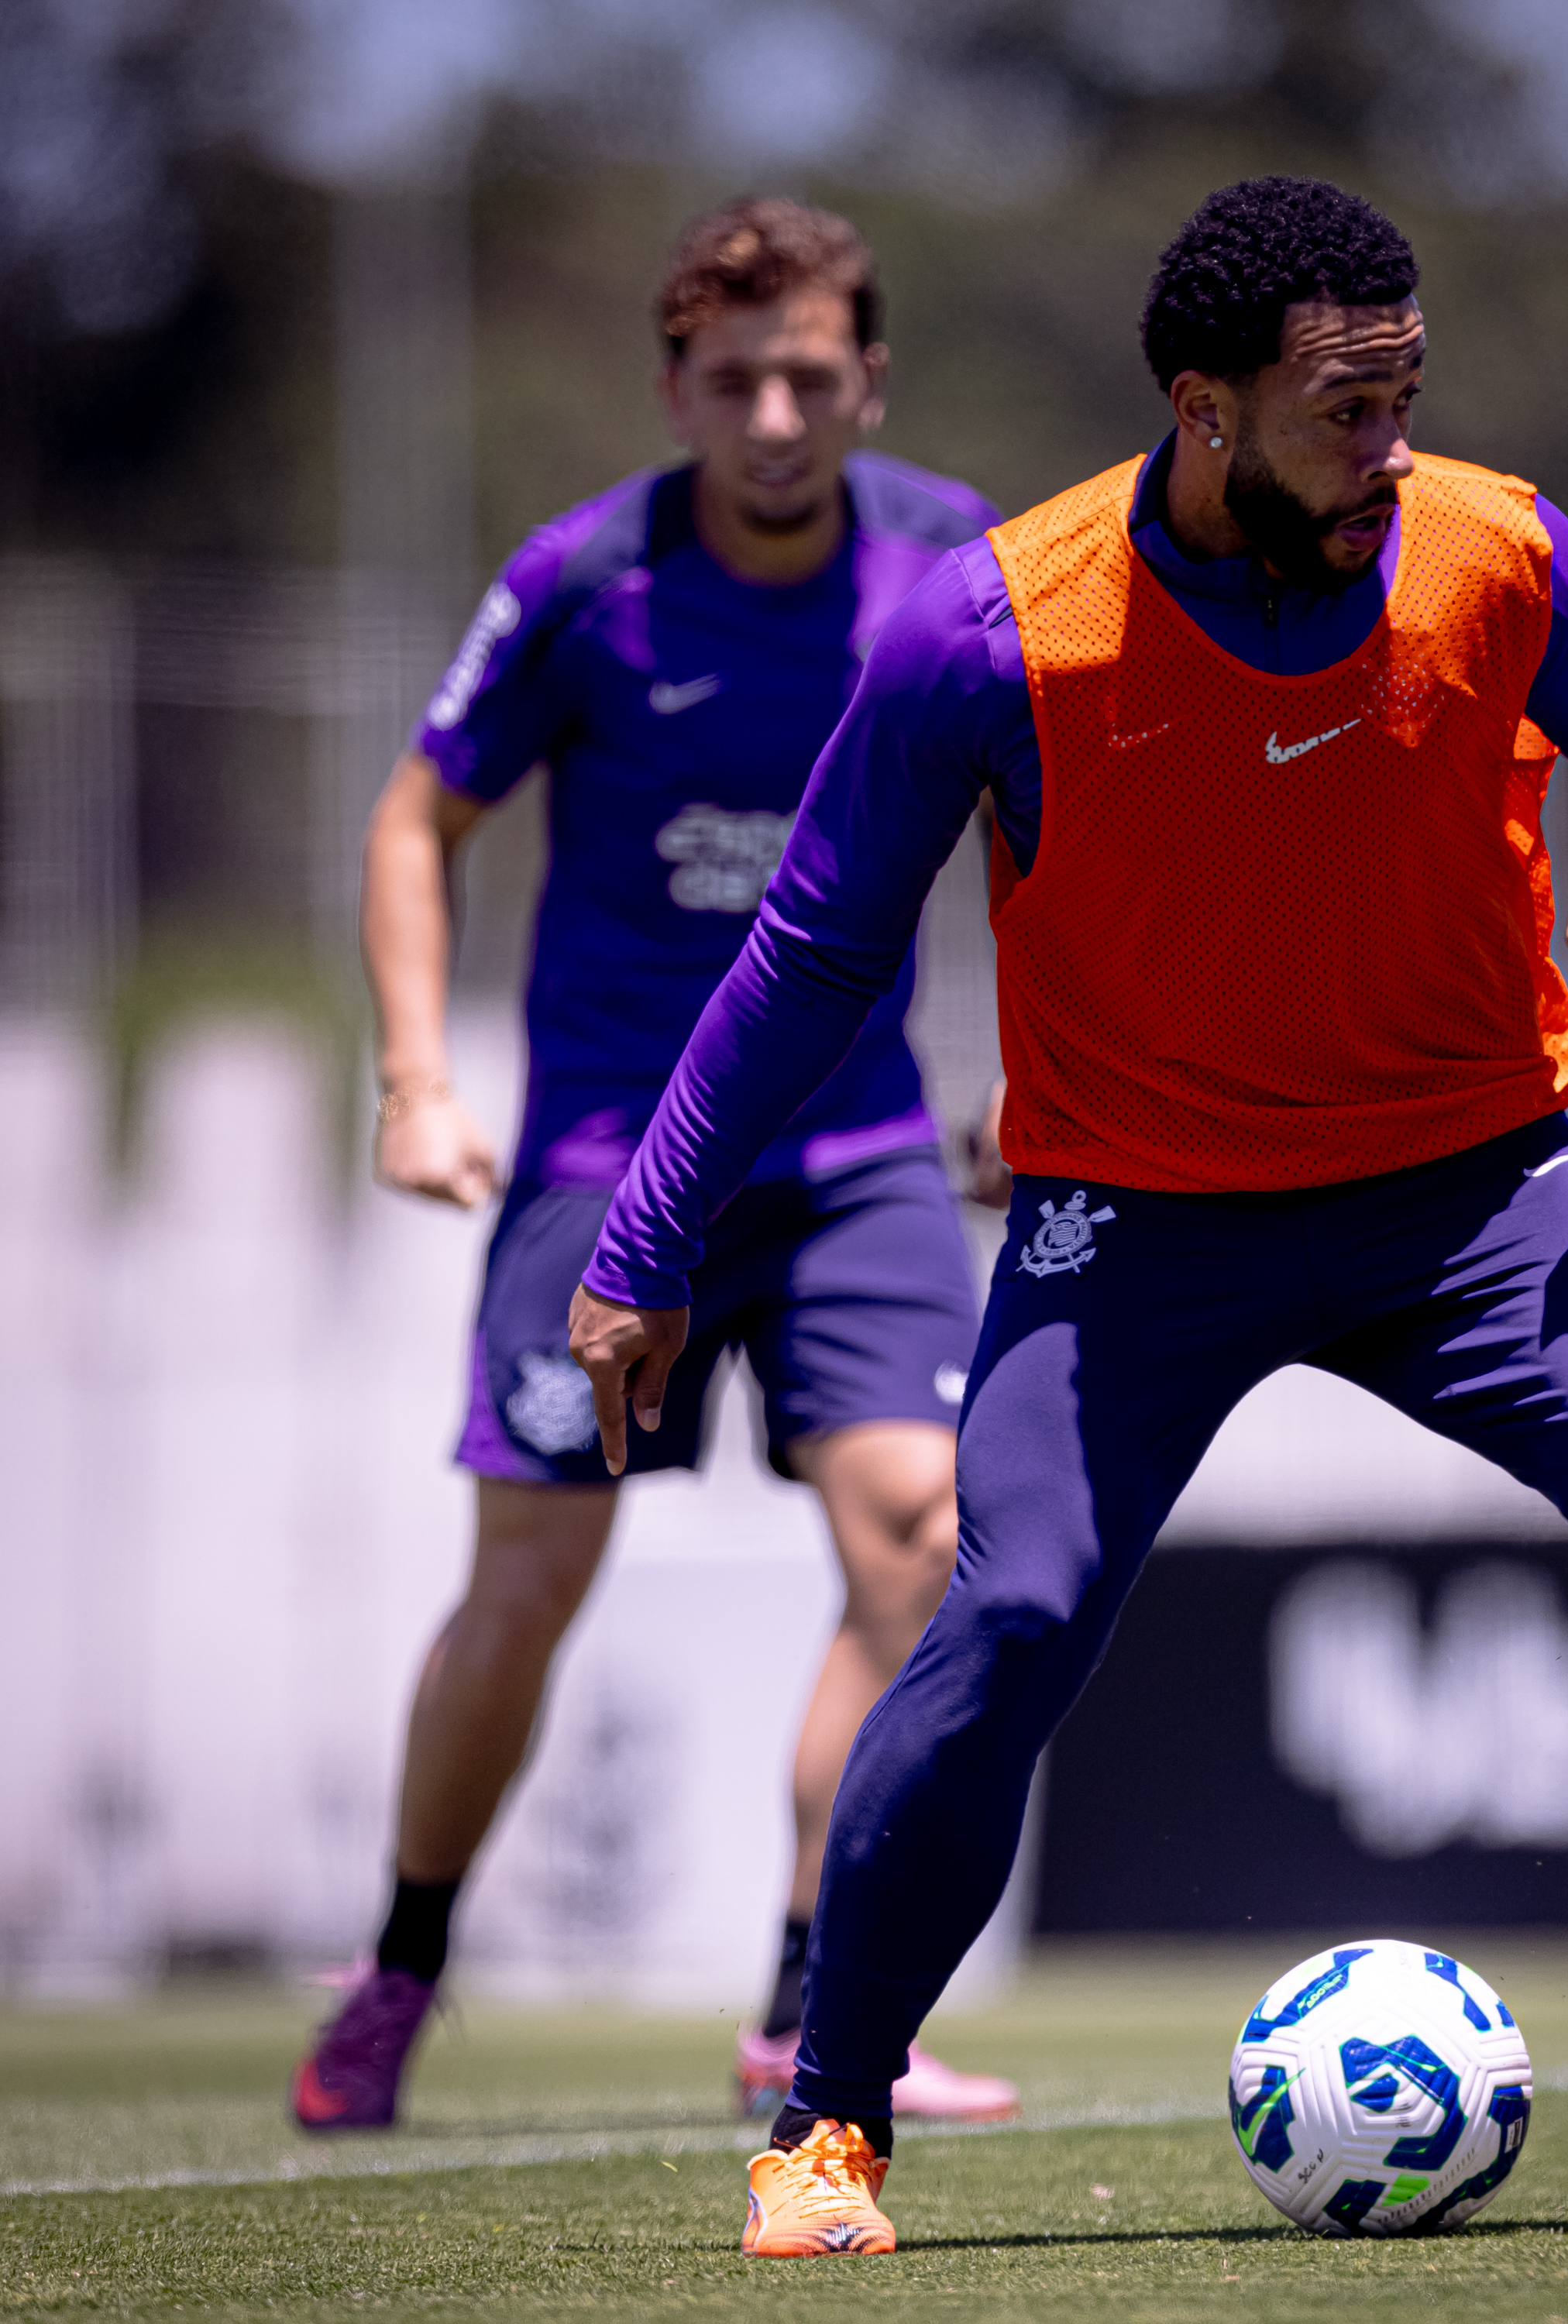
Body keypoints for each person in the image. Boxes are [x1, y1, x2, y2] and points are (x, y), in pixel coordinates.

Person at [569, 177, 1568, 2256]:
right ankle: (825, 2131)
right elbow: (811, 956)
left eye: (1406, 397)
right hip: (1139, 1225)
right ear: (1203, 411)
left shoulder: (1494, 547)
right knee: (1009, 1615)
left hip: (1473, 1193)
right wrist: (643, 1243)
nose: (1391, 450)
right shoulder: (996, 627)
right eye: (1342, 412)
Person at [291, 198, 1016, 2133]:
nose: (773, 416)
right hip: (610, 1164)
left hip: (855, 1155)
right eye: (733, 379)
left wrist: (1040, 1078)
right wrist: (414, 1083)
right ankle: (397, 1970)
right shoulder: (581, 578)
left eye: (808, 376)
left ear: (868, 382)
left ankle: (806, 2010)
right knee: (530, 1581)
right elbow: (412, 821)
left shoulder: (953, 562)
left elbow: (1046, 821)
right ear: (675, 389)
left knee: (923, 1541)